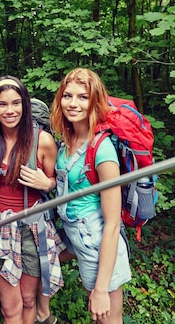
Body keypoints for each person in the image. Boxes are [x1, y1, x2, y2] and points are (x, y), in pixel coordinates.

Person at [0, 76, 64, 324]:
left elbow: (57, 182)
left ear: (24, 105)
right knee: (9, 307)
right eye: (2, 104)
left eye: (16, 103)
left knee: (27, 299)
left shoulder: (42, 141)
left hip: (33, 228)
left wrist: (47, 183)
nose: (10, 110)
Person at [50, 68, 132, 324]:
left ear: (94, 101)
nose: (73, 104)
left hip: (99, 244)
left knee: (107, 320)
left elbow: (112, 224)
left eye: (82, 97)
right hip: (76, 236)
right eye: (68, 95)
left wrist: (101, 289)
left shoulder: (102, 150)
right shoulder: (68, 139)